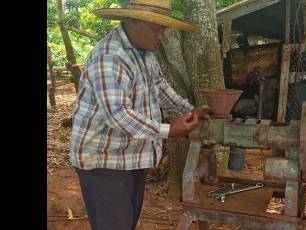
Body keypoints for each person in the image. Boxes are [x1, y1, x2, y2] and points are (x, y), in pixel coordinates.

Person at [69, 1, 209, 229]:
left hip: (130, 155)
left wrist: (188, 109)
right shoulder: (109, 56)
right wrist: (168, 131)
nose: (161, 36)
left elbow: (160, 87)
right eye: (156, 29)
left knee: (126, 222)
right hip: (103, 161)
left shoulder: (144, 53)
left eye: (163, 30)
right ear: (133, 22)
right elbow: (118, 114)